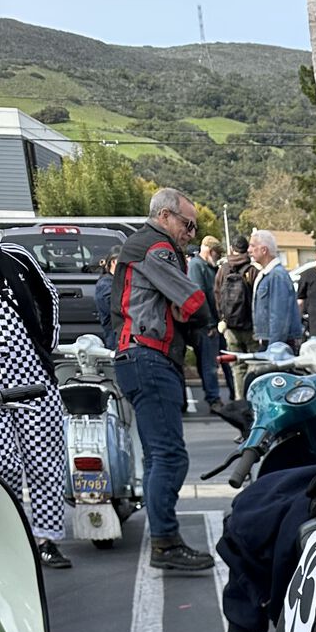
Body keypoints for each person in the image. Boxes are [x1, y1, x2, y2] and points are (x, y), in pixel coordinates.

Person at [111, 187, 216, 573]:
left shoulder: (143, 246)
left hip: (139, 357)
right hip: (148, 356)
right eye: (188, 224)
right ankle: (166, 542)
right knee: (169, 456)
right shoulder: (156, 248)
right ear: (167, 216)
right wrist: (203, 314)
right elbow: (192, 303)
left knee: (159, 456)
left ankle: (164, 539)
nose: (190, 232)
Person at [0, 236, 71, 568]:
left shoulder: (16, 257)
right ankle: (10, 543)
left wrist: (46, 346)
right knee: (4, 467)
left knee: (45, 461)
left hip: (33, 376)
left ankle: (46, 540)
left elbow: (48, 296)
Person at [186, 235, 225, 412]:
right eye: (217, 253)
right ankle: (213, 399)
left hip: (213, 324)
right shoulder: (197, 266)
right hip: (205, 326)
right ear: (210, 251)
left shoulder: (207, 267)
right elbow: (199, 297)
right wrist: (209, 324)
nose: (218, 257)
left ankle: (220, 396)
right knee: (209, 364)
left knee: (214, 362)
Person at [216, 235, 258, 397]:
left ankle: (240, 399)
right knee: (254, 365)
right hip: (250, 327)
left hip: (230, 327)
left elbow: (217, 295)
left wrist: (222, 319)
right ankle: (253, 398)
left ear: (232, 248)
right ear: (246, 249)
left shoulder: (223, 269)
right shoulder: (252, 271)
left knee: (237, 367)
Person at [248, 231, 302, 352]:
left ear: (264, 250)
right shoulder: (268, 274)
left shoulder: (276, 276)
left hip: (277, 344)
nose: (249, 250)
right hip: (270, 342)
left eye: (252, 245)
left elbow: (279, 317)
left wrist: (274, 349)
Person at [93, 251, 118, 348]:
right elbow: (112, 308)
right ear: (113, 262)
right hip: (114, 335)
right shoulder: (106, 283)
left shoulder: (115, 281)